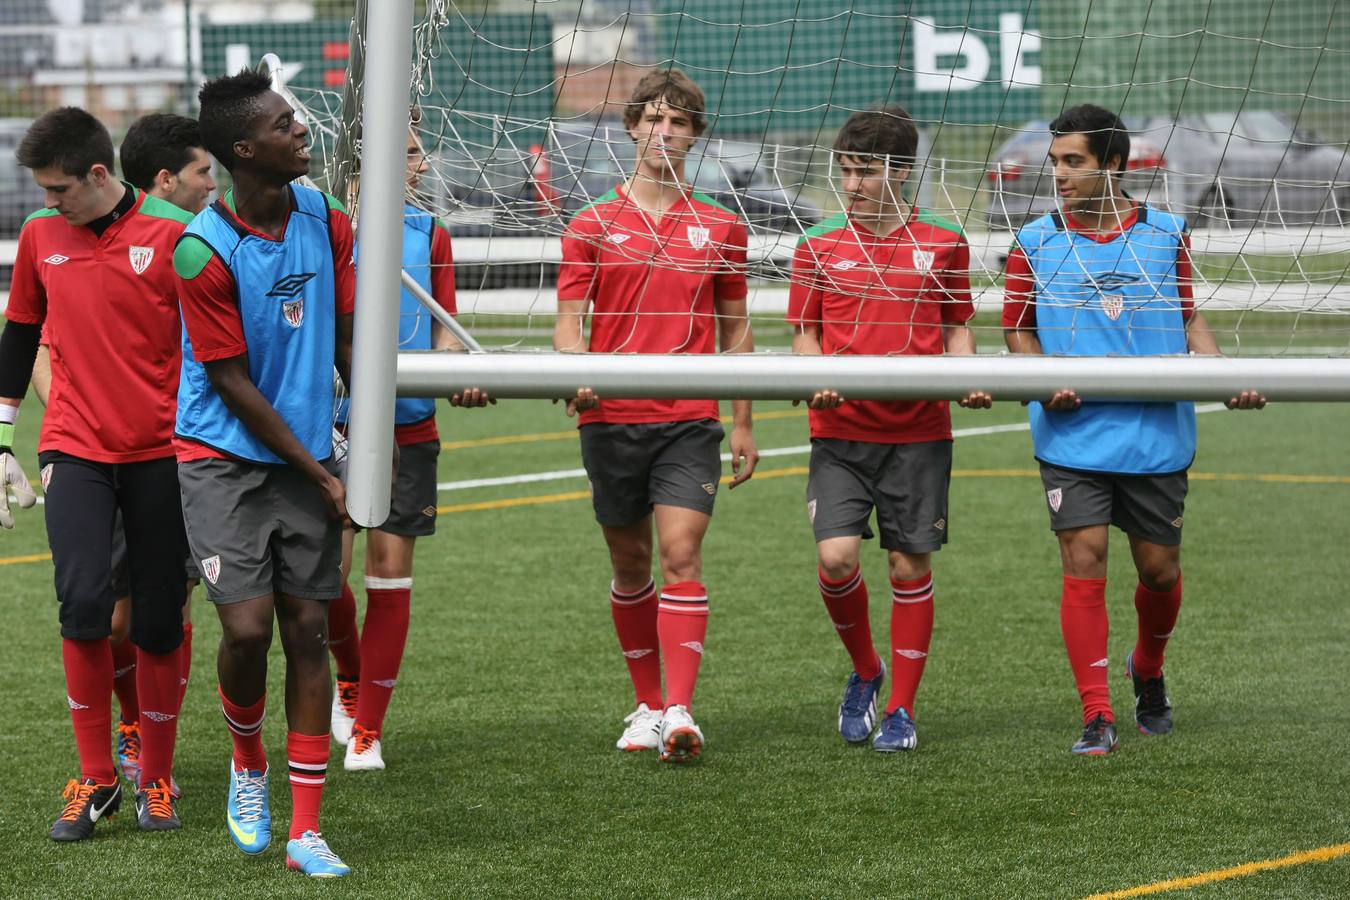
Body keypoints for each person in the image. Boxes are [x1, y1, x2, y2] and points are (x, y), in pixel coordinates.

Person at [1001, 104, 1265, 756]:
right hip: (1072, 433)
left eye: (1073, 162)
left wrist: (1222, 374)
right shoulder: (1032, 241)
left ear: (1113, 165)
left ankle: (1147, 669)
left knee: (1159, 572)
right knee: (1083, 558)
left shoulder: (1166, 233)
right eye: (1055, 162)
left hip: (1153, 431)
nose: (1058, 174)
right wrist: (1040, 379)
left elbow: (1188, 317)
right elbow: (1016, 329)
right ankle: (1097, 714)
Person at [175, 69, 356, 876]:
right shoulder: (199, 250)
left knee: (308, 629)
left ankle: (306, 830)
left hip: (310, 449)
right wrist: (320, 473)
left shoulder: (325, 215)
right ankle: (248, 765)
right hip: (225, 457)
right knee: (247, 631)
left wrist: (358, 436)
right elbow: (231, 381)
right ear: (245, 149)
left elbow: (349, 334)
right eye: (287, 124)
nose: (302, 131)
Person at [554, 68, 759, 763]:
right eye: (654, 119)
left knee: (681, 555)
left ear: (696, 135)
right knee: (631, 560)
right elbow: (568, 320)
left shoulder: (723, 226)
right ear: (632, 127)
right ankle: (645, 703)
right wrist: (577, 373)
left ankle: (680, 709)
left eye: (679, 122)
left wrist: (743, 422)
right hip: (610, 420)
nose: (664, 132)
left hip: (688, 421)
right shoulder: (590, 223)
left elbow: (736, 332)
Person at [0, 107, 192, 839]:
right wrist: (2, 439)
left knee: (154, 620)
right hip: (74, 448)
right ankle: (97, 780)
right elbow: (19, 333)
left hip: (164, 452)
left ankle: (161, 781)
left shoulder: (173, 235)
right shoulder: (39, 237)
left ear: (99, 174)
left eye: (58, 189)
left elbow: (213, 346)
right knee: (80, 607)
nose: (49, 203)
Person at [789, 105, 990, 753]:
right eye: (845, 171)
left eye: (866, 172)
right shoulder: (816, 243)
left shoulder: (942, 241)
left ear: (901, 173)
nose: (852, 184)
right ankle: (867, 670)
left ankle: (901, 710)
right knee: (835, 557)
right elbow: (805, 332)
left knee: (908, 567)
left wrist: (969, 376)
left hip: (919, 434)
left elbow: (957, 326)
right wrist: (812, 373)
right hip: (841, 431)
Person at [327, 114, 490, 771]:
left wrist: (458, 373)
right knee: (325, 582)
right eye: (409, 153)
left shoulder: (431, 235)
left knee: (388, 576)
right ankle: (348, 674)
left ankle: (369, 726)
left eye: (421, 154)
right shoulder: (324, 229)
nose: (419, 165)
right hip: (331, 428)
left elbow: (446, 330)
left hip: (410, 428)